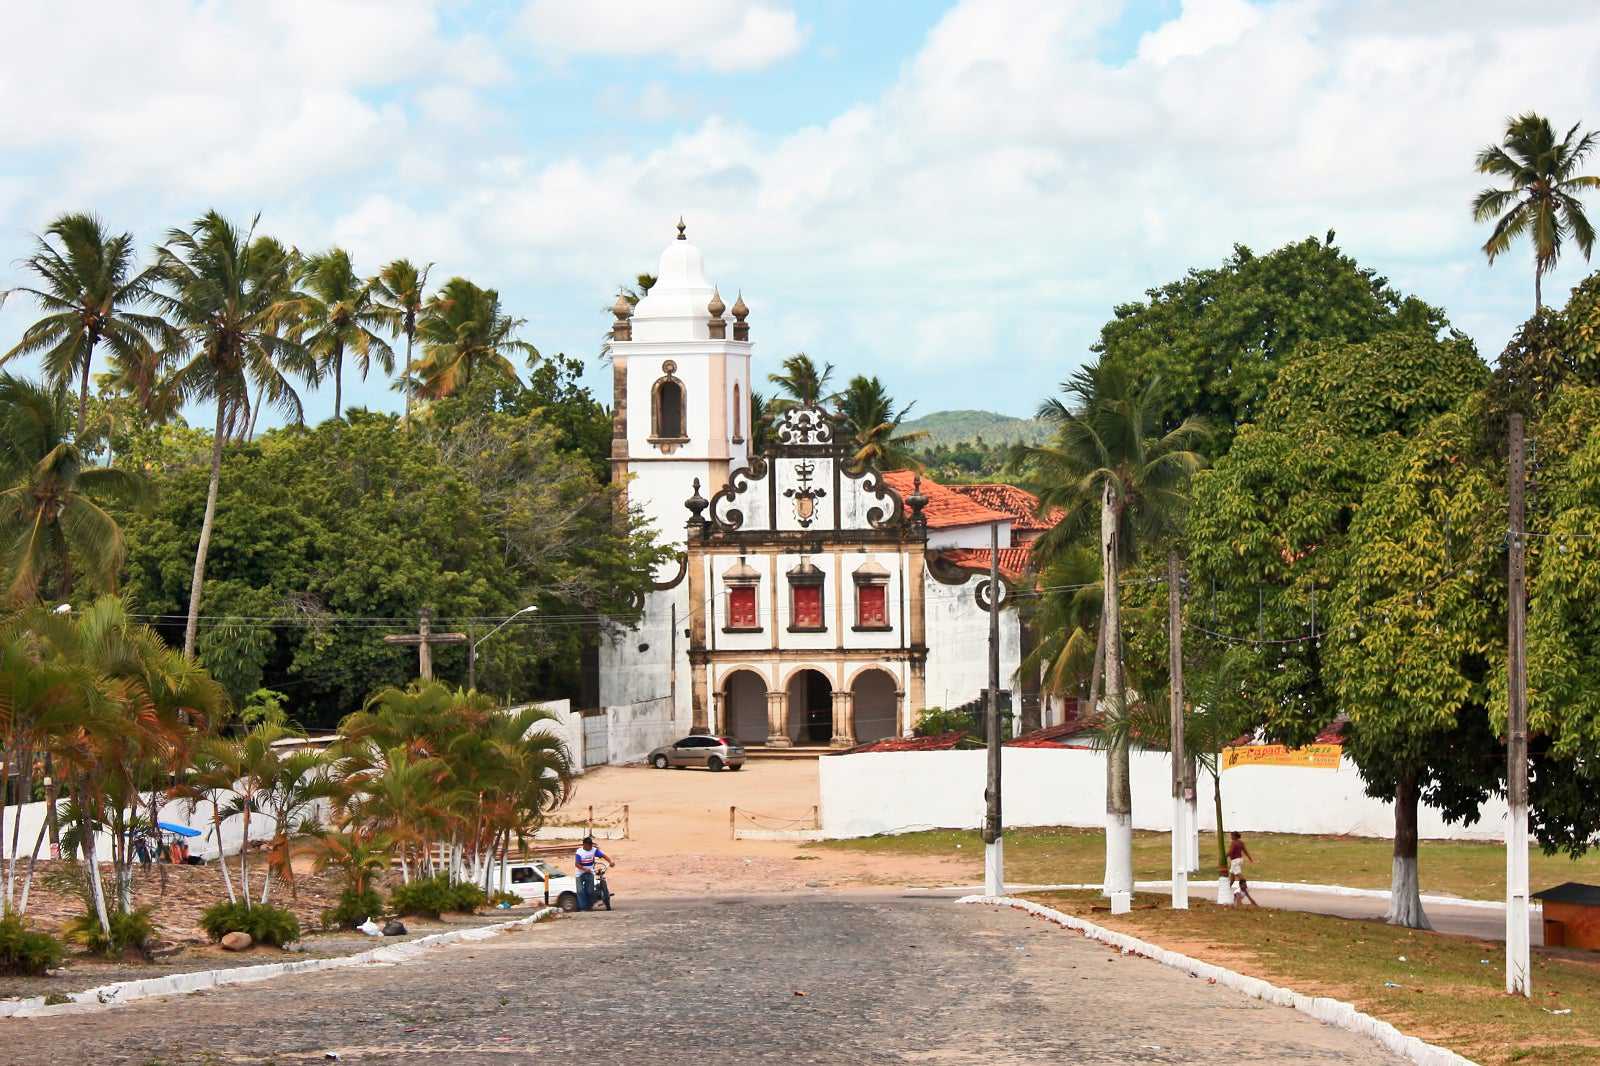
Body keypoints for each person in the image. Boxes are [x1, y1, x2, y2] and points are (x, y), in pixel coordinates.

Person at [574, 835, 615, 911]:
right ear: (584, 845)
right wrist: (584, 869)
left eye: (591, 844)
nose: (590, 846)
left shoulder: (594, 850)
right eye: (589, 844)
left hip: (590, 873)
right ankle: (583, 908)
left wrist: (610, 861)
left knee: (590, 891)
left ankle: (589, 906)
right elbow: (577, 864)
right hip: (580, 873)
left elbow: (603, 856)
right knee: (580, 891)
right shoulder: (579, 852)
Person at [1227, 831, 1258, 906]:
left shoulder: (1234, 842)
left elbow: (1230, 852)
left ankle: (1245, 888)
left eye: (1231, 836)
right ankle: (1227, 890)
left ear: (1234, 836)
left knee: (1240, 877)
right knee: (1232, 878)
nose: (1230, 837)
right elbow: (1245, 851)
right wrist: (1250, 859)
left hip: (1235, 861)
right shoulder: (1241, 842)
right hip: (1240, 860)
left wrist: (1224, 857)